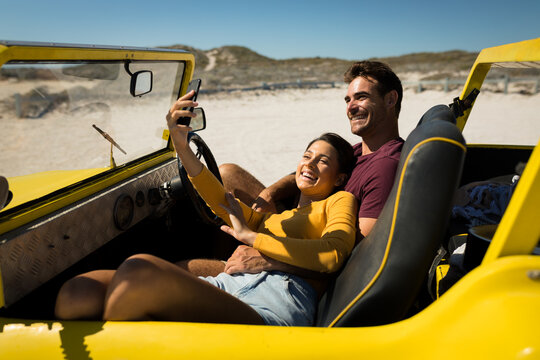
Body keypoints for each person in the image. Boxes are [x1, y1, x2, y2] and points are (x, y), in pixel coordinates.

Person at [54, 98, 358, 326]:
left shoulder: (338, 201)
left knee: (138, 272)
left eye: (323, 161)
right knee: (79, 291)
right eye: (307, 156)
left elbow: (333, 254)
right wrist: (181, 146)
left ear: (340, 177)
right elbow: (218, 199)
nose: (310, 164)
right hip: (232, 286)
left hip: (275, 303)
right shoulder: (277, 218)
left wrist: (253, 239)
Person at [188, 60, 405, 277]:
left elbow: (355, 257)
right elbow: (303, 173)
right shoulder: (358, 151)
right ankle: (224, 261)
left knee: (185, 268)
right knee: (229, 174)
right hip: (299, 222)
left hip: (304, 258)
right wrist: (270, 193)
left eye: (362, 97)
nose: (350, 107)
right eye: (348, 99)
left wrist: (268, 260)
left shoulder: (385, 166)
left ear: (390, 99)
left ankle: (226, 273)